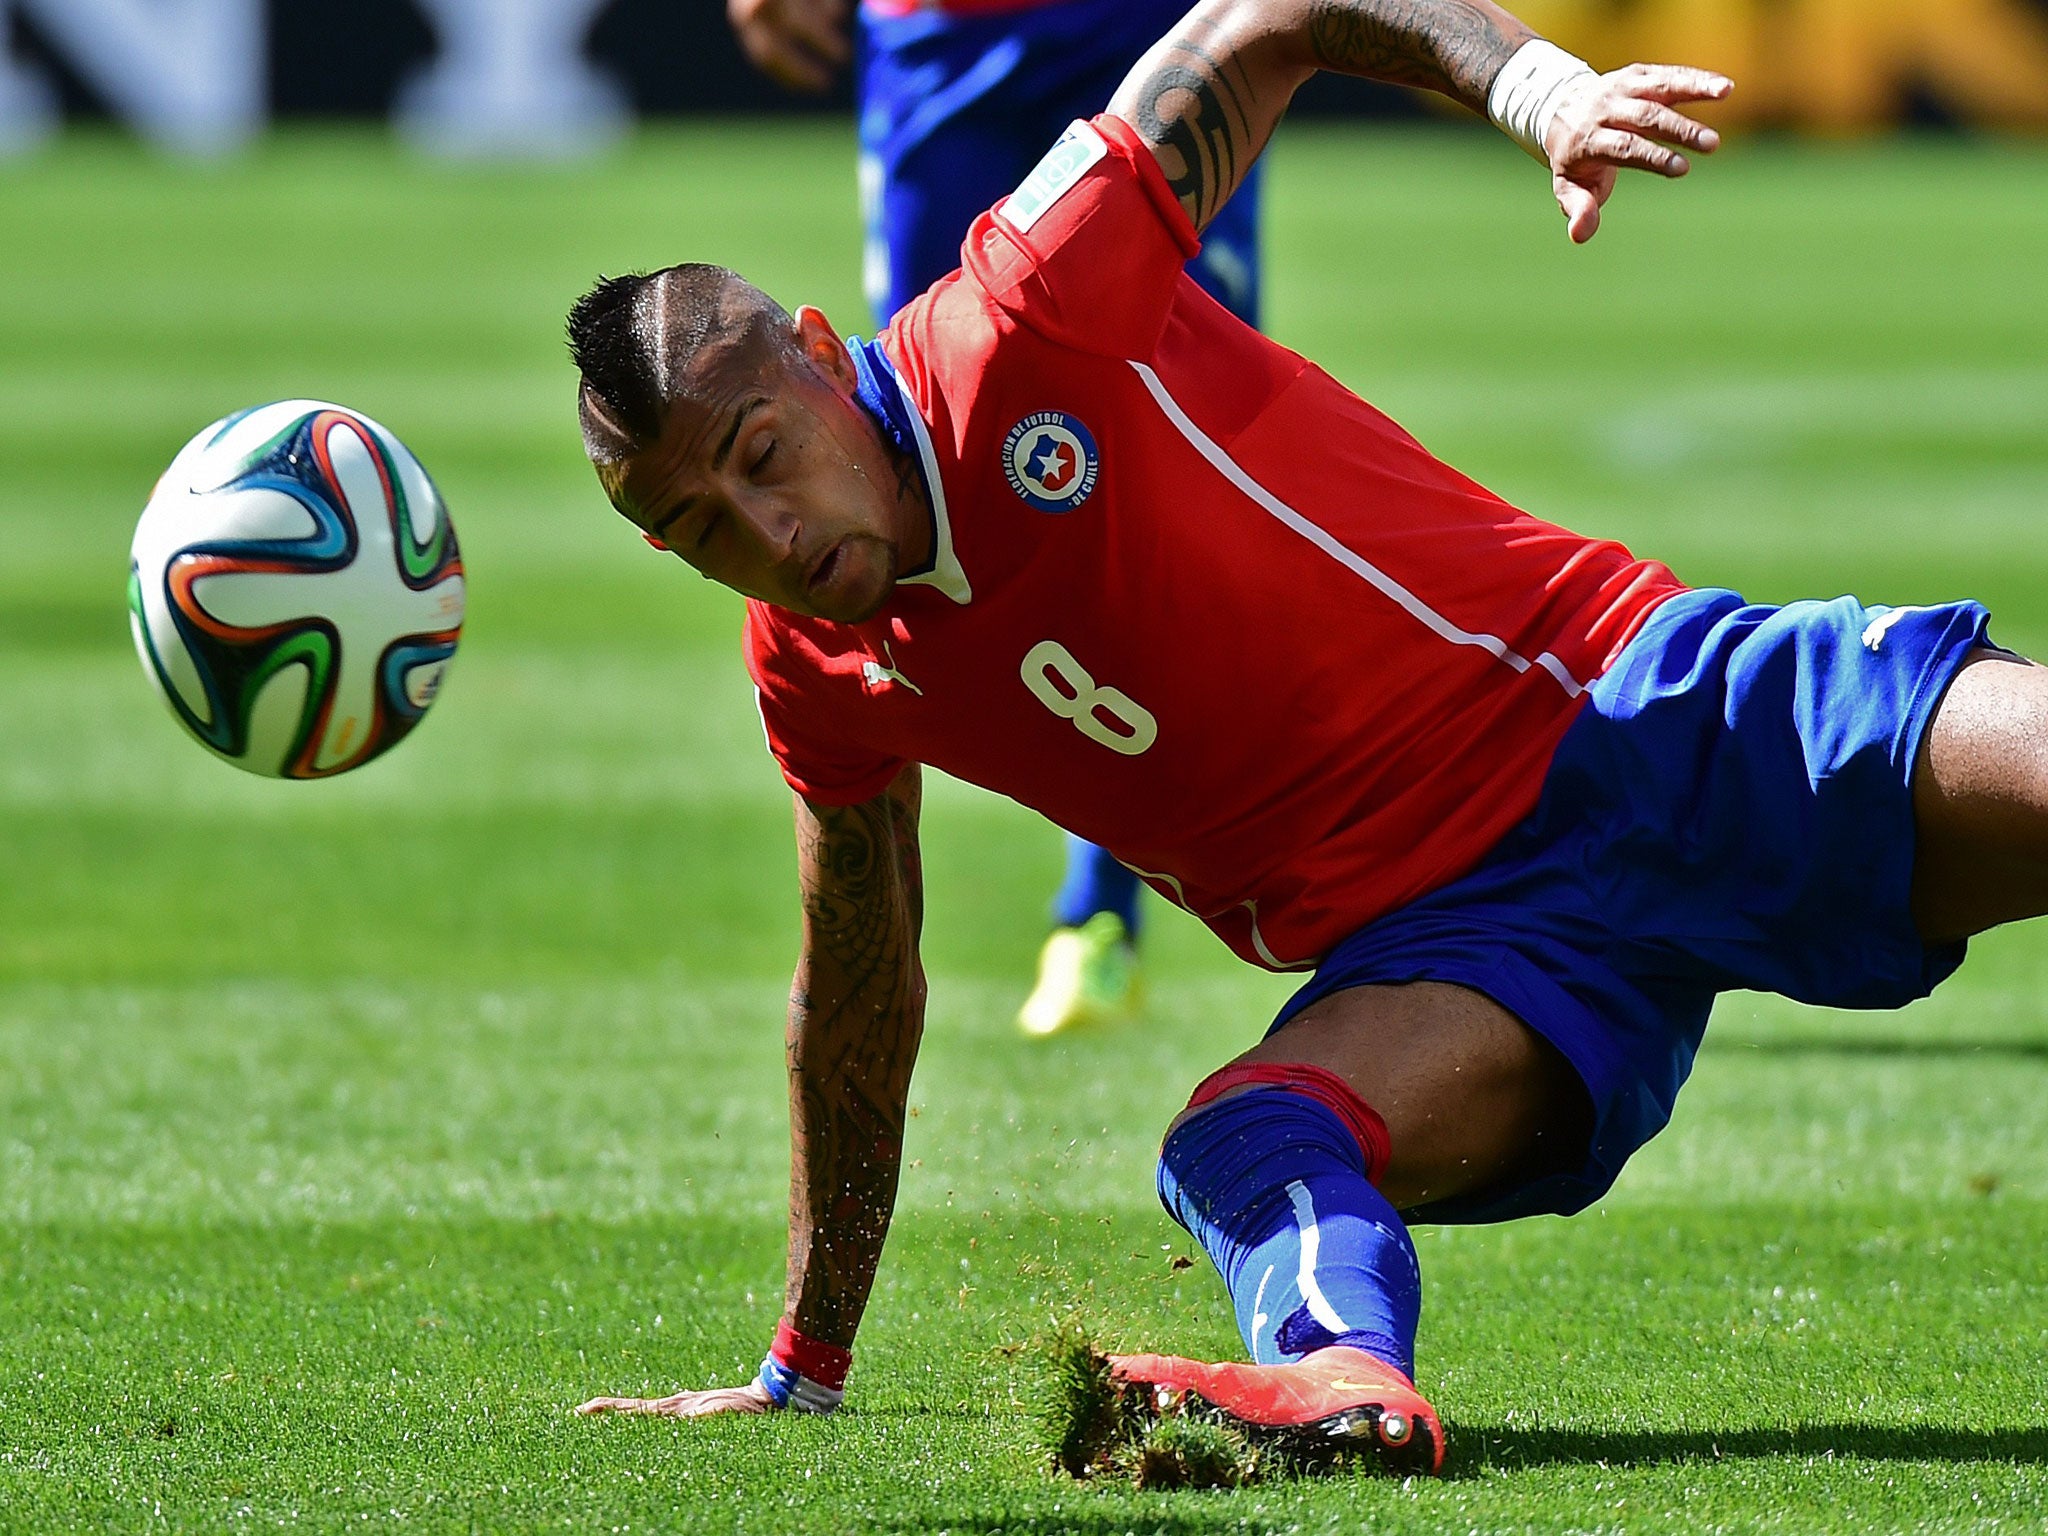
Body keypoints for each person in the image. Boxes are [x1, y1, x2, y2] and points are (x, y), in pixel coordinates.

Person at [566, 0, 2042, 1475]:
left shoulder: (1023, 312)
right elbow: (859, 982)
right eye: (701, 532)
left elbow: (1269, 17)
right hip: (1470, 958)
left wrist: (1536, 91)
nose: (767, 533)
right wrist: (802, 1368)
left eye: (765, 455)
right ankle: (1343, 1377)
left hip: (1634, 715)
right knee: (1240, 1141)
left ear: (821, 355)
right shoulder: (817, 665)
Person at [726, 0, 1274, 1036]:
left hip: (1139, 19)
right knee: (933, 452)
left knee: (1181, 438)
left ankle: (1102, 916)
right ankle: (1075, 917)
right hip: (940, 31)